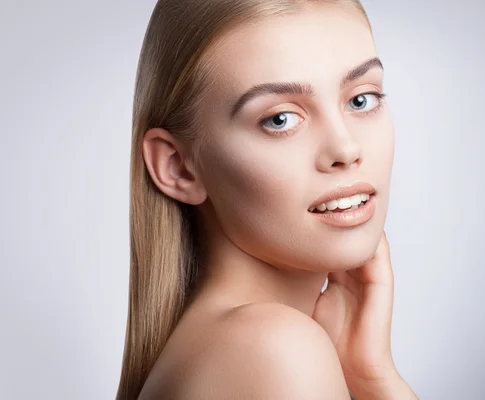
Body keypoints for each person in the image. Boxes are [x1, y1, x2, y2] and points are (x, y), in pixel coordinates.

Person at [117, 0, 418, 398]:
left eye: (361, 99)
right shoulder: (274, 349)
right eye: (281, 119)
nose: (346, 148)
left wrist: (371, 375)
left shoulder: (230, 345)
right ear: (178, 167)